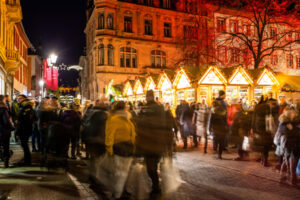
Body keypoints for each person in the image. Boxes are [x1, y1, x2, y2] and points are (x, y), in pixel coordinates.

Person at [136, 90, 174, 199]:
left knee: (151, 168)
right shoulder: (158, 108)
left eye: (148, 96)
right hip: (155, 142)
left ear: (149, 97)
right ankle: (156, 186)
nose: (148, 98)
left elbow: (140, 124)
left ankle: (156, 187)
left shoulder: (146, 109)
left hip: (151, 143)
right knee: (152, 166)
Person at [105, 101, 136, 199]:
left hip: (126, 149)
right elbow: (110, 136)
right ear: (123, 108)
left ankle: (121, 191)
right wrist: (109, 149)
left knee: (123, 172)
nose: (127, 108)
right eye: (126, 106)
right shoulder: (116, 119)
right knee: (122, 173)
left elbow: (133, 135)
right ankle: (119, 193)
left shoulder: (127, 119)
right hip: (120, 149)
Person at [277, 106, 300, 185]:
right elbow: (288, 133)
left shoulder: (295, 122)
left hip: (296, 143)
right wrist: (295, 130)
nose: (293, 114)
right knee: (290, 161)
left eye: (294, 112)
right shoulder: (284, 122)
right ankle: (292, 178)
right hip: (288, 144)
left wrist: (294, 129)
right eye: (291, 112)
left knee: (289, 161)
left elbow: (294, 132)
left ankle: (284, 177)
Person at [251, 95, 272, 167]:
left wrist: (252, 128)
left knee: (260, 143)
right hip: (265, 127)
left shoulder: (257, 106)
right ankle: (265, 160)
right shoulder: (267, 106)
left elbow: (253, 117)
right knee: (266, 144)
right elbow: (269, 117)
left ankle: (261, 158)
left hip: (257, 127)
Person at [208, 90, 228, 159]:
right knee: (221, 141)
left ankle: (215, 149)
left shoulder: (213, 110)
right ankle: (220, 154)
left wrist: (209, 128)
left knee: (216, 139)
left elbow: (211, 120)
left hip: (215, 128)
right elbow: (225, 118)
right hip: (222, 127)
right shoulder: (223, 107)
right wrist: (226, 126)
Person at [15, 95, 34, 166]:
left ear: (24, 99)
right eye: (18, 98)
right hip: (23, 128)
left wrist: (19, 121)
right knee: (24, 145)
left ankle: (27, 161)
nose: (18, 99)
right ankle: (26, 160)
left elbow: (26, 119)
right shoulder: (23, 106)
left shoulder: (27, 107)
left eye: (20, 98)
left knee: (25, 145)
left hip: (24, 129)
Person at [0, 95, 15, 168]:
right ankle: (6, 162)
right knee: (6, 147)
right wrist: (12, 127)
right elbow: (6, 121)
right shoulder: (3, 109)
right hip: (3, 131)